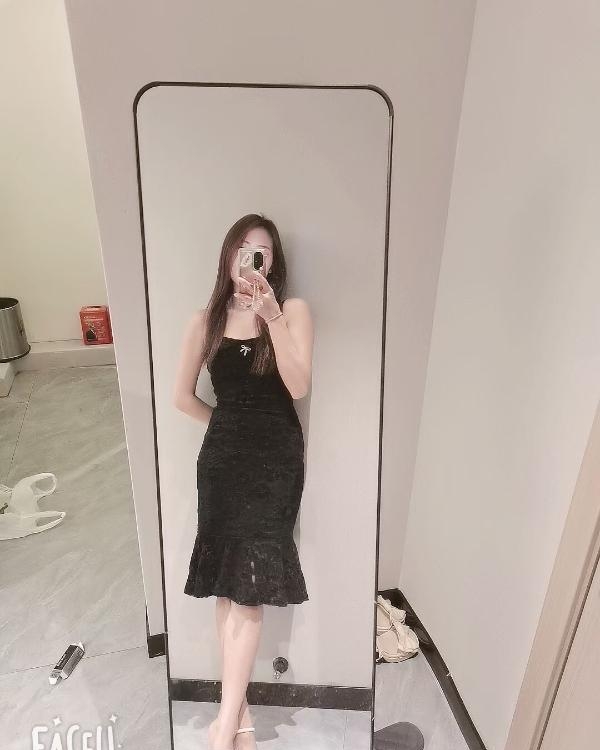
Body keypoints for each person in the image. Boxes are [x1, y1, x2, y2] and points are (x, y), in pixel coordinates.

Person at [173, 213, 313, 750]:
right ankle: (241, 717)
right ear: (228, 254)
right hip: (223, 464)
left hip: (276, 463)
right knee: (229, 584)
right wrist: (229, 427)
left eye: (263, 251)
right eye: (243, 248)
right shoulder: (205, 320)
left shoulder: (292, 311)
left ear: (273, 262)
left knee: (249, 590)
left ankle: (224, 726)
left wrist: (271, 315)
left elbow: (298, 386)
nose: (252, 258)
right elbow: (182, 397)